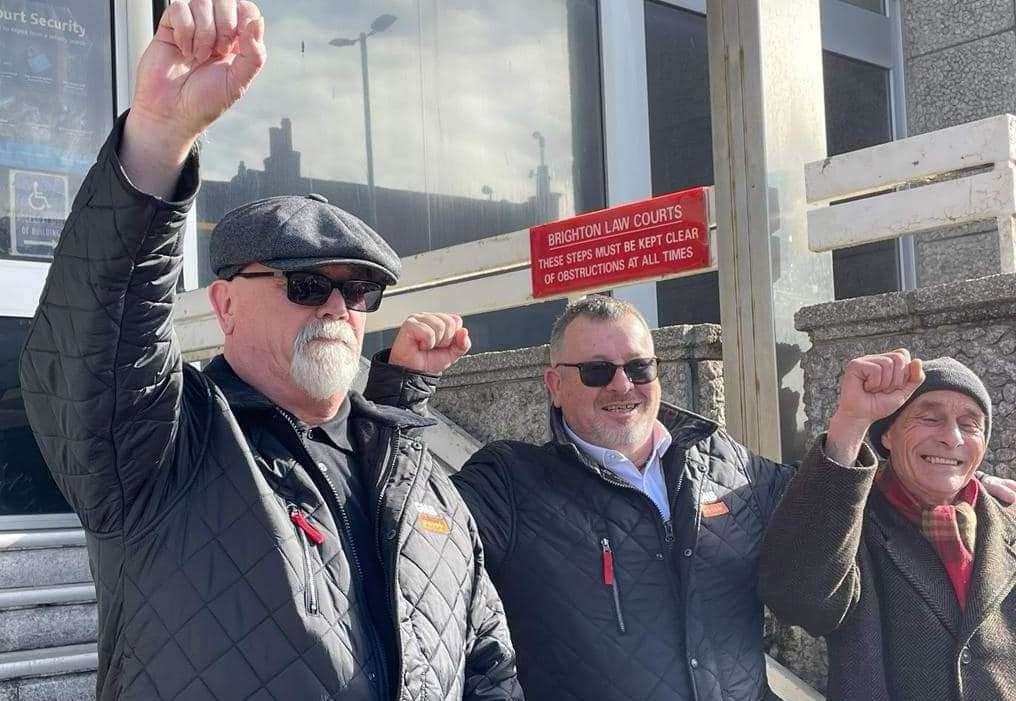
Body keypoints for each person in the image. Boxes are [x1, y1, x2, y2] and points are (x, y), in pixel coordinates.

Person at [19, 2, 521, 699]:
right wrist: (160, 136)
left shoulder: (422, 477)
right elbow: (94, 343)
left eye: (358, 291)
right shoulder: (168, 445)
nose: (336, 308)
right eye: (308, 284)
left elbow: (488, 662)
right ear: (224, 305)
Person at [449, 295, 789, 700]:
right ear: (555, 386)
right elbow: (409, 543)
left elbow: (820, 513)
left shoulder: (725, 461)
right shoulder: (509, 484)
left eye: (639, 367)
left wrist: (851, 429)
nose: (622, 384)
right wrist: (402, 396)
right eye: (597, 371)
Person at [759, 351, 1016, 700]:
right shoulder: (854, 525)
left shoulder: (1006, 522)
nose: (952, 437)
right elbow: (797, 600)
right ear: (888, 436)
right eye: (929, 418)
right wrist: (851, 421)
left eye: (970, 424)